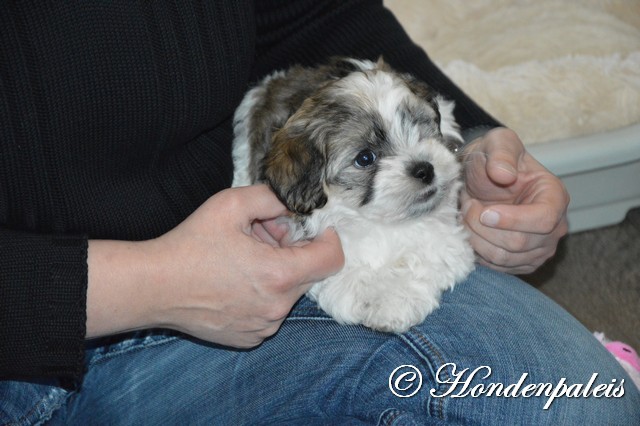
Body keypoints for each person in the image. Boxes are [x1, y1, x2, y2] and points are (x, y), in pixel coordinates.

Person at [1, 1, 637, 424]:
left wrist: (476, 142)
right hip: (35, 347)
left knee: (587, 402)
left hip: (230, 259)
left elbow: (315, 15)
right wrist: (145, 285)